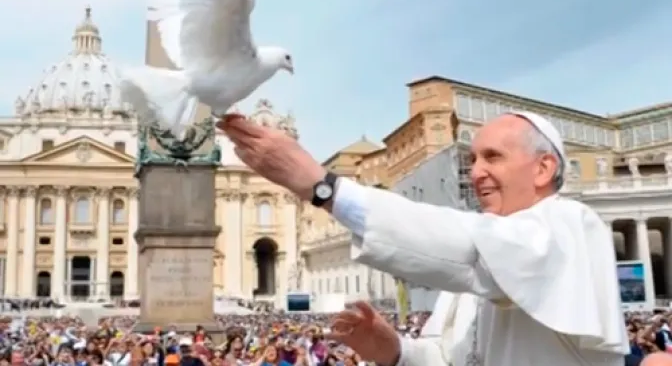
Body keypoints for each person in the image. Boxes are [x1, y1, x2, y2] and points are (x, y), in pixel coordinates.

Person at [219, 111, 629, 366]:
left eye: (493, 157)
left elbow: (469, 247)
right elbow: (446, 358)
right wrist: (394, 350)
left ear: (543, 169)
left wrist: (323, 188)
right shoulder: (476, 276)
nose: (476, 172)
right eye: (472, 160)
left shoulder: (573, 225)